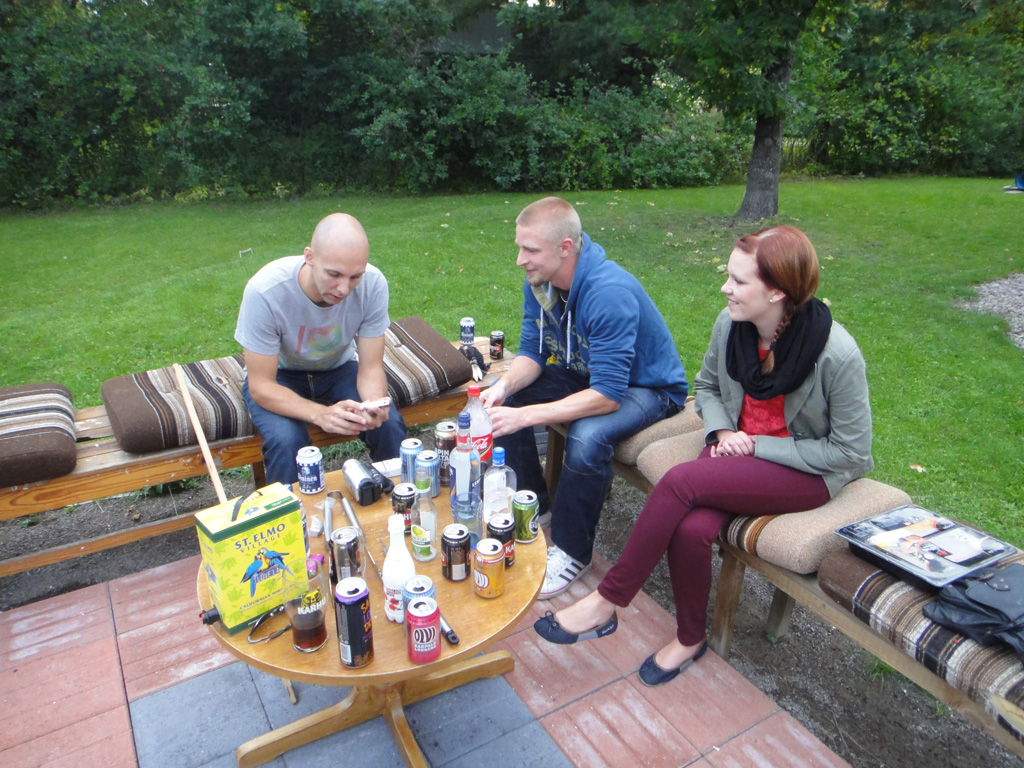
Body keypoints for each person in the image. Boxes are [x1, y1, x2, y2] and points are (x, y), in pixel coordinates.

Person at [533, 225, 874, 686]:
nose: (724, 288)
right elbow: (708, 386)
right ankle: (690, 638)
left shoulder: (836, 354)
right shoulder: (731, 325)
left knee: (680, 482)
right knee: (691, 528)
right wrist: (724, 430)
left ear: (777, 292)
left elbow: (850, 451)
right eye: (728, 276)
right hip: (733, 450)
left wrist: (756, 444)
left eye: (738, 281)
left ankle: (606, 601)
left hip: (804, 470)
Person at [481, 197, 689, 599]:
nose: (520, 260)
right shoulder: (540, 283)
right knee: (506, 402)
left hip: (648, 388)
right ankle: (534, 507)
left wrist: (528, 416)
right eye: (519, 247)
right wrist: (503, 388)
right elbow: (532, 353)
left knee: (587, 436)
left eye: (531, 250)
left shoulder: (608, 293)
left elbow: (608, 396)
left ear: (565, 247)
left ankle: (573, 552)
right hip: (589, 374)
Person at [235, 212, 406, 485]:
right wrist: (320, 414)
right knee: (286, 441)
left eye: (355, 276)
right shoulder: (265, 291)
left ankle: (399, 499)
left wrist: (374, 405)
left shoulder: (373, 284)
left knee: (388, 425)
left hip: (338, 368)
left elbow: (371, 367)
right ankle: (287, 510)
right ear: (310, 257)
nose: (344, 289)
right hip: (280, 377)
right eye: (333, 274)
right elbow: (261, 386)